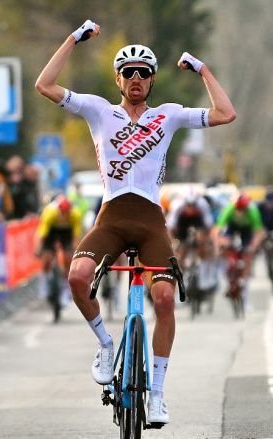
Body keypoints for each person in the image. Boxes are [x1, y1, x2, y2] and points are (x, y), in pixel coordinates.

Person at [35, 19, 235, 425]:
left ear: (153, 78)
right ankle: (106, 344)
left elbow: (226, 113)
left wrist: (201, 69)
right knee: (77, 277)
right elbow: (45, 85)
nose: (136, 78)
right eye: (128, 72)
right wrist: (74, 39)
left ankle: (157, 393)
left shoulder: (168, 115)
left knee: (164, 300)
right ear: (118, 79)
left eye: (144, 72)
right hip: (111, 217)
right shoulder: (98, 111)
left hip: (150, 222)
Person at [35, 195, 83, 322]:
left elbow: (76, 237)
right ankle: (44, 284)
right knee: (46, 257)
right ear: (58, 210)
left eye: (66, 213)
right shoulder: (50, 213)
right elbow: (42, 235)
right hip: (51, 230)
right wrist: (39, 249)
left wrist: (76, 252)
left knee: (69, 257)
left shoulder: (75, 215)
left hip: (67, 231)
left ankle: (65, 291)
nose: (64, 216)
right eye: (62, 213)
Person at [211, 193, 264, 303]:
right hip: (232, 226)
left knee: (248, 255)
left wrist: (253, 247)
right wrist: (217, 247)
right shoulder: (229, 208)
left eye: (243, 210)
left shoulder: (253, 211)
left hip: (247, 229)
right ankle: (227, 272)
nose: (240, 212)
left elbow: (259, 233)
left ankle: (245, 291)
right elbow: (217, 230)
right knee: (224, 245)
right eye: (238, 209)